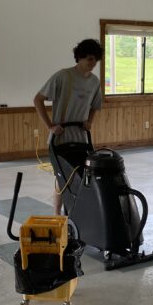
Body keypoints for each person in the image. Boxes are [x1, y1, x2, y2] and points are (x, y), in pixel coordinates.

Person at [34, 38, 103, 214]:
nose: (92, 63)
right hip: (60, 137)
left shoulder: (94, 82)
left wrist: (89, 122)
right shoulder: (63, 76)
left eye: (95, 59)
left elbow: (95, 105)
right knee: (61, 176)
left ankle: (76, 212)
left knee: (80, 175)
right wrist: (50, 126)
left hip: (81, 137)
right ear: (79, 57)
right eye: (88, 58)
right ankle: (58, 214)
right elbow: (38, 99)